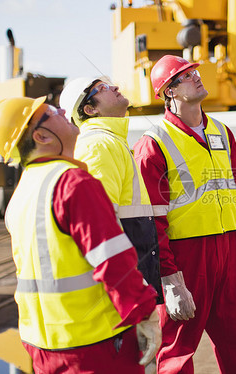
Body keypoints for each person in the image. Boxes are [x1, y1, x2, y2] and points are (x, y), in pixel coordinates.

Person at [0, 96, 161, 374]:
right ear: (41, 135)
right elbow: (112, 260)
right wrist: (145, 313)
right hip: (94, 346)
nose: (64, 110)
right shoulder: (72, 183)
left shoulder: (22, 193)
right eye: (52, 111)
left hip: (41, 346)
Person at [133, 55, 236, 374]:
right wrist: (169, 279)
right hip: (186, 258)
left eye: (194, 72)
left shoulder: (222, 132)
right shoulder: (153, 145)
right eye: (185, 75)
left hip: (228, 252)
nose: (197, 77)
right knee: (177, 352)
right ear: (169, 92)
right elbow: (152, 221)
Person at [60, 77, 163, 305]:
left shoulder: (111, 142)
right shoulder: (98, 146)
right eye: (102, 88)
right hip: (124, 292)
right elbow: (101, 229)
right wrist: (134, 288)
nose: (115, 87)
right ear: (90, 109)